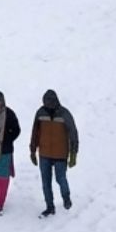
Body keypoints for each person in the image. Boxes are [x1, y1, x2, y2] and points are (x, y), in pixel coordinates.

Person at [28, 89, 79, 217]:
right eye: (46, 102)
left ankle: (66, 197)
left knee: (60, 178)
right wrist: (33, 150)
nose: (49, 104)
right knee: (46, 183)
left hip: (60, 154)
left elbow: (73, 133)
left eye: (51, 101)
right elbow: (35, 132)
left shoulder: (65, 114)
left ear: (56, 101)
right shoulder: (40, 113)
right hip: (44, 153)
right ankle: (50, 207)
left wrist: (73, 153)